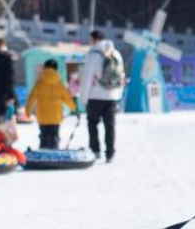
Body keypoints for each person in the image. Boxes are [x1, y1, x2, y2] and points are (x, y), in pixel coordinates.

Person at [80, 29, 126, 163]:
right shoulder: (116, 54)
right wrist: (118, 95)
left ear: (94, 39)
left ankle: (95, 151)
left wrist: (84, 98)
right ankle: (110, 153)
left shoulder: (93, 55)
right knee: (110, 126)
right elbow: (121, 76)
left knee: (93, 124)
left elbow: (87, 78)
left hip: (95, 96)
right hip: (112, 97)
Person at [26, 59, 77, 149]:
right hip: (55, 116)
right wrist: (74, 108)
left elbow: (31, 97)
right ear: (56, 69)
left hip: (42, 115)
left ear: (45, 67)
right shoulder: (59, 83)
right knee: (54, 136)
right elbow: (67, 98)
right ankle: (54, 153)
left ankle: (43, 154)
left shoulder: (39, 82)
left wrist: (28, 111)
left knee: (43, 136)